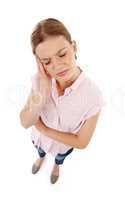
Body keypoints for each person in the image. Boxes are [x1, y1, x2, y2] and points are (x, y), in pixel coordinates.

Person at [19, 18, 105, 184]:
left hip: (62, 147)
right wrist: (43, 92)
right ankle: (40, 158)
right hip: (39, 140)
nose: (57, 66)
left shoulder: (94, 96)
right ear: (40, 63)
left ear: (74, 47)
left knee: (59, 158)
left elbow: (81, 142)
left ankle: (56, 166)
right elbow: (24, 121)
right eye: (47, 61)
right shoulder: (40, 81)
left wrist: (44, 129)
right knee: (40, 151)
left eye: (62, 54)